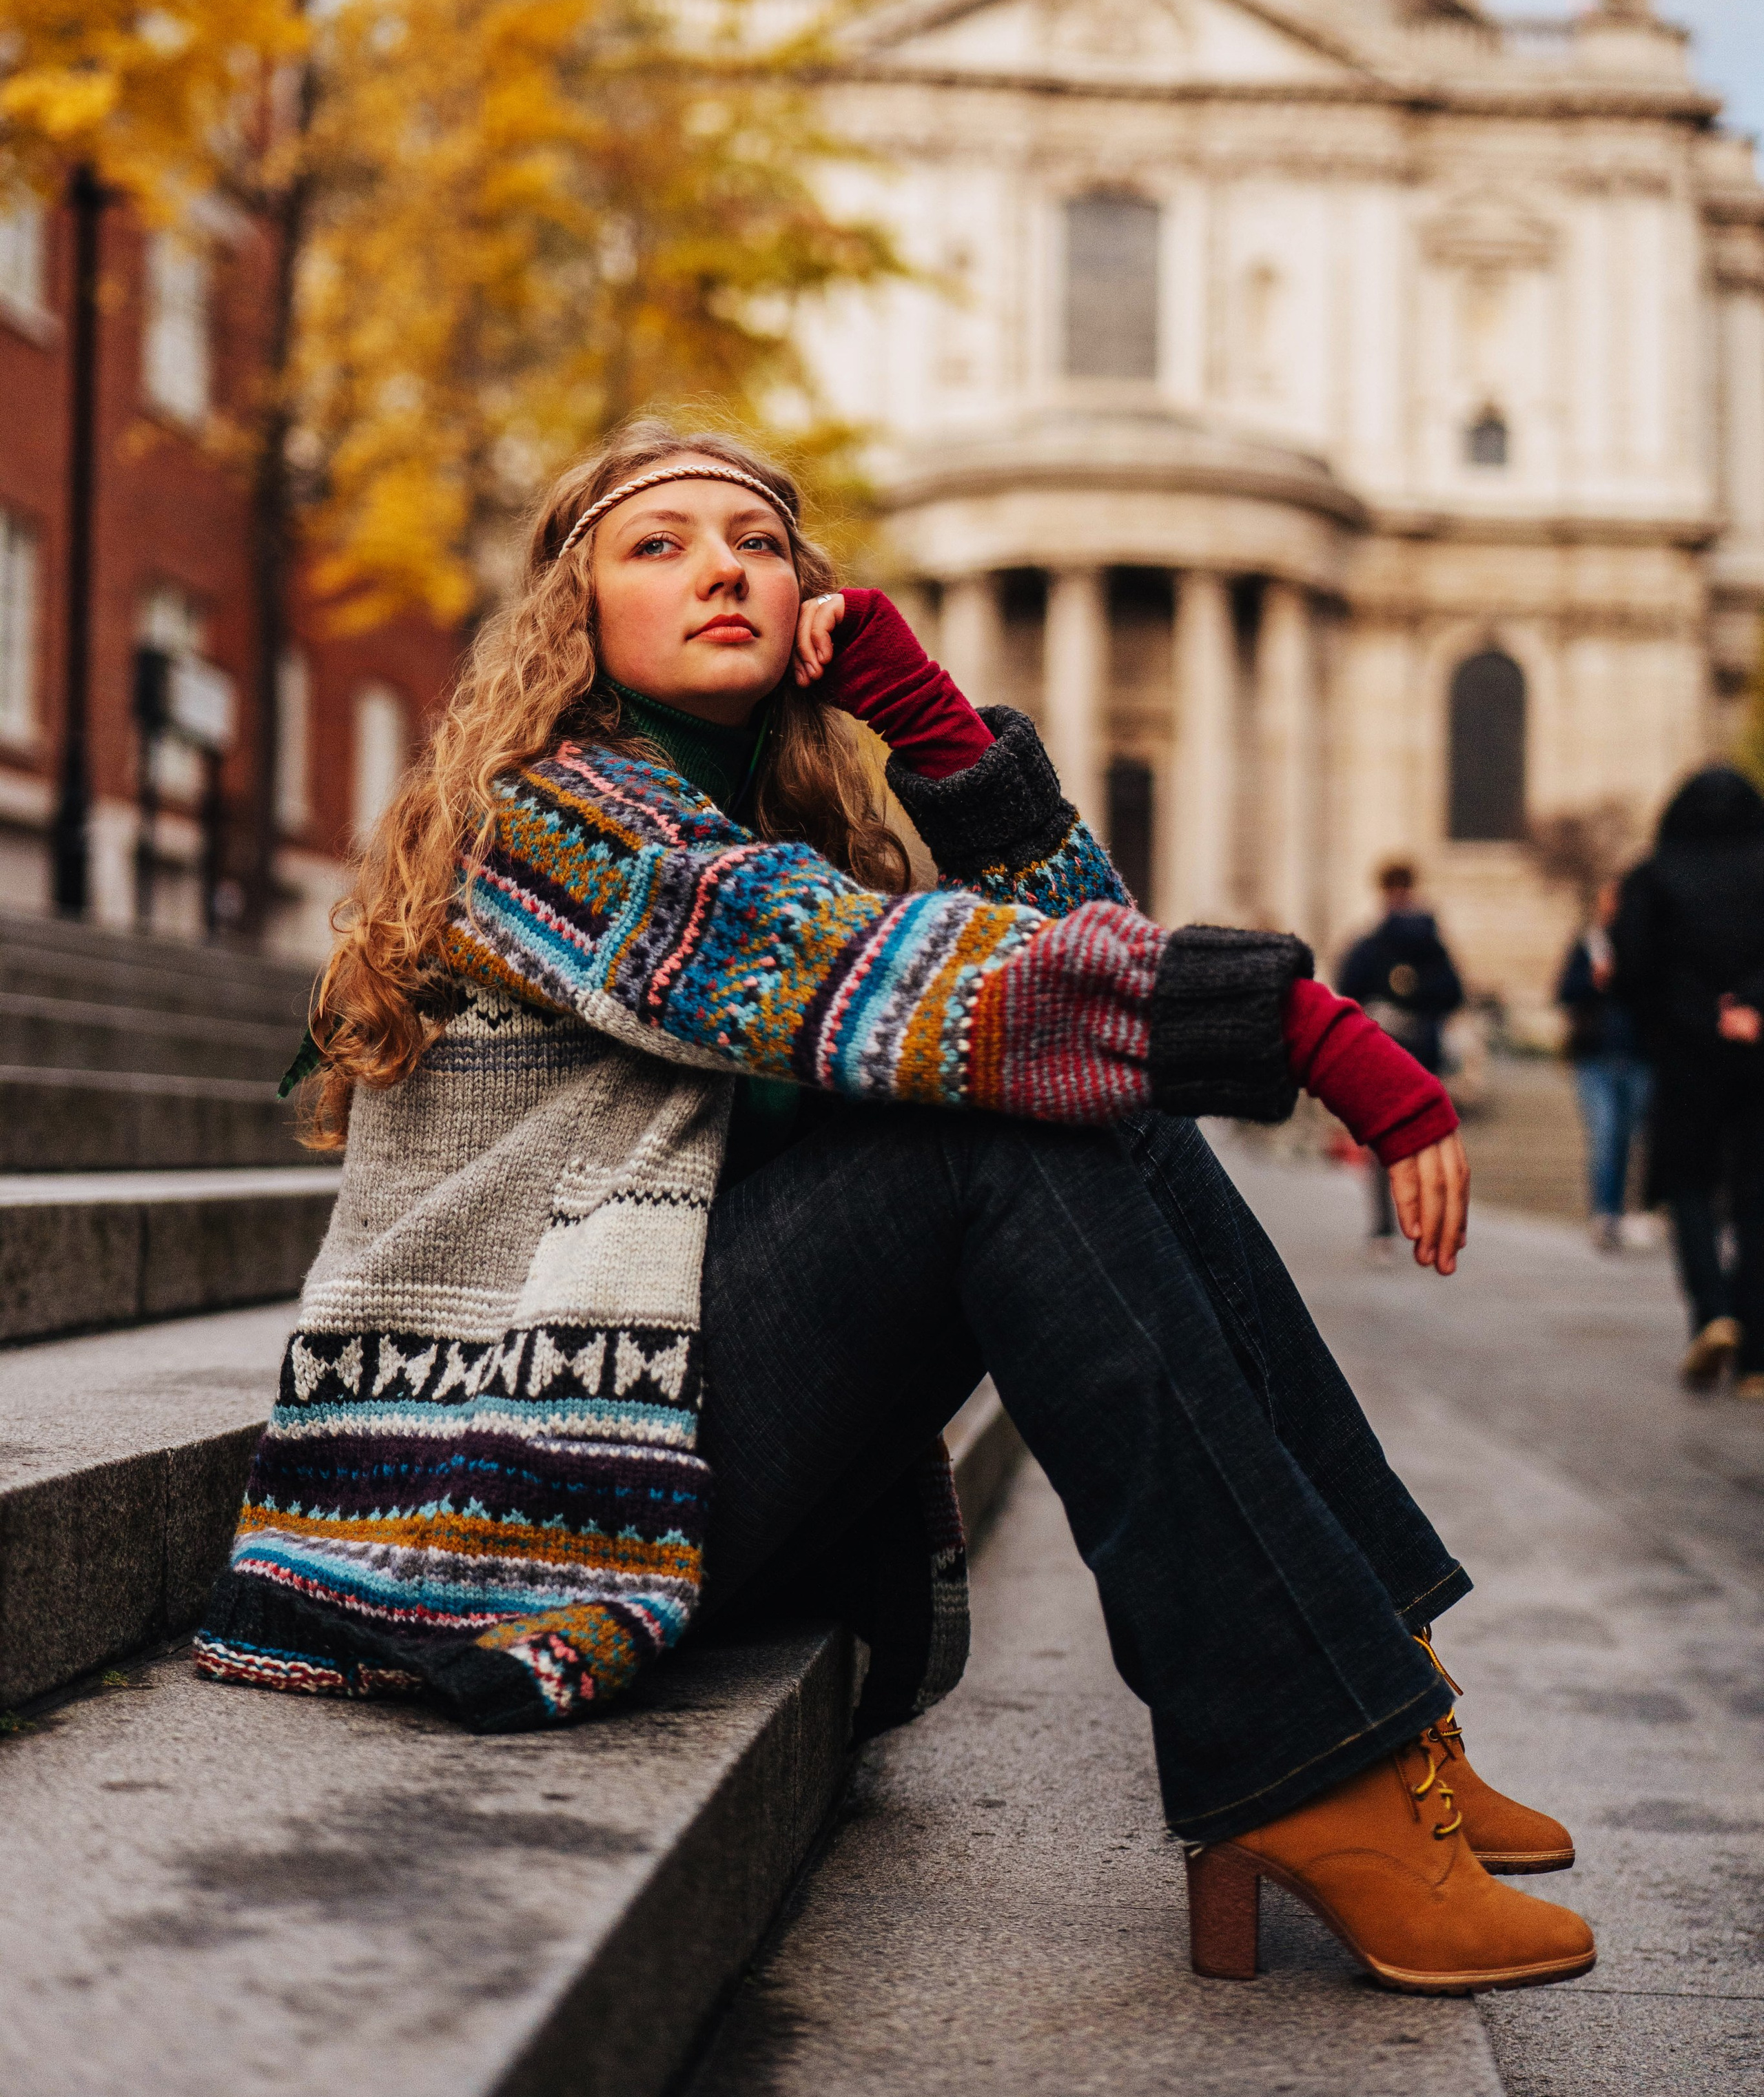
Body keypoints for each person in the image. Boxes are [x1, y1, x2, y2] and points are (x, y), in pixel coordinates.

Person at [197, 418, 1594, 1997]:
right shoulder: (545, 821)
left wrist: (931, 730)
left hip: (664, 1436)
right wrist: (1299, 1024)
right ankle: (1315, 1754)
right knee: (994, 1126)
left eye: (756, 540)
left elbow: (1076, 963)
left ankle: (1382, 1706)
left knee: (1064, 1095)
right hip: (494, 1498)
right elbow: (869, 975)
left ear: (808, 596)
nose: (718, 563)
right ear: (570, 617)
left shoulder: (790, 829)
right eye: (656, 545)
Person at [1613, 766, 1764, 1395]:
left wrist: (1670, 1026)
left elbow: (1633, 969)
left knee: (1688, 1185)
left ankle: (1713, 1311)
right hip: (1759, 1050)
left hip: (1685, 1051)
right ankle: (1756, 1354)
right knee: (1758, 1193)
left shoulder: (1655, 875)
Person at [1337, 863, 1466, 1248]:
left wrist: (1405, 1009)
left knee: (1409, 1142)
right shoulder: (1396, 944)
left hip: (1407, 1054)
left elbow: (1452, 993)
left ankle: (1403, 1223)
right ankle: (1394, 1223)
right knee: (1391, 1143)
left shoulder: (1387, 943)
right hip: (1395, 1055)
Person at [1557, 881, 1652, 1252]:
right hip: (1596, 1056)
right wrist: (1591, 980)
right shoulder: (1589, 944)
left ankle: (1629, 1211)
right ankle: (1605, 1212)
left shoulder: (1647, 945)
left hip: (1638, 1054)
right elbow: (1564, 991)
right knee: (1606, 1135)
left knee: (1633, 1137)